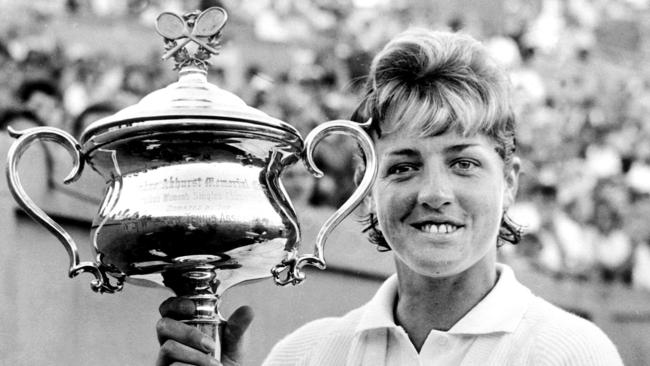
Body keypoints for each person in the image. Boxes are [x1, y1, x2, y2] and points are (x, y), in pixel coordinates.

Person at [155, 29, 624, 366]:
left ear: (510, 182)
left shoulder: (572, 353)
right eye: (403, 166)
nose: (435, 193)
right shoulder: (304, 355)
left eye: (463, 163)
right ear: (367, 186)